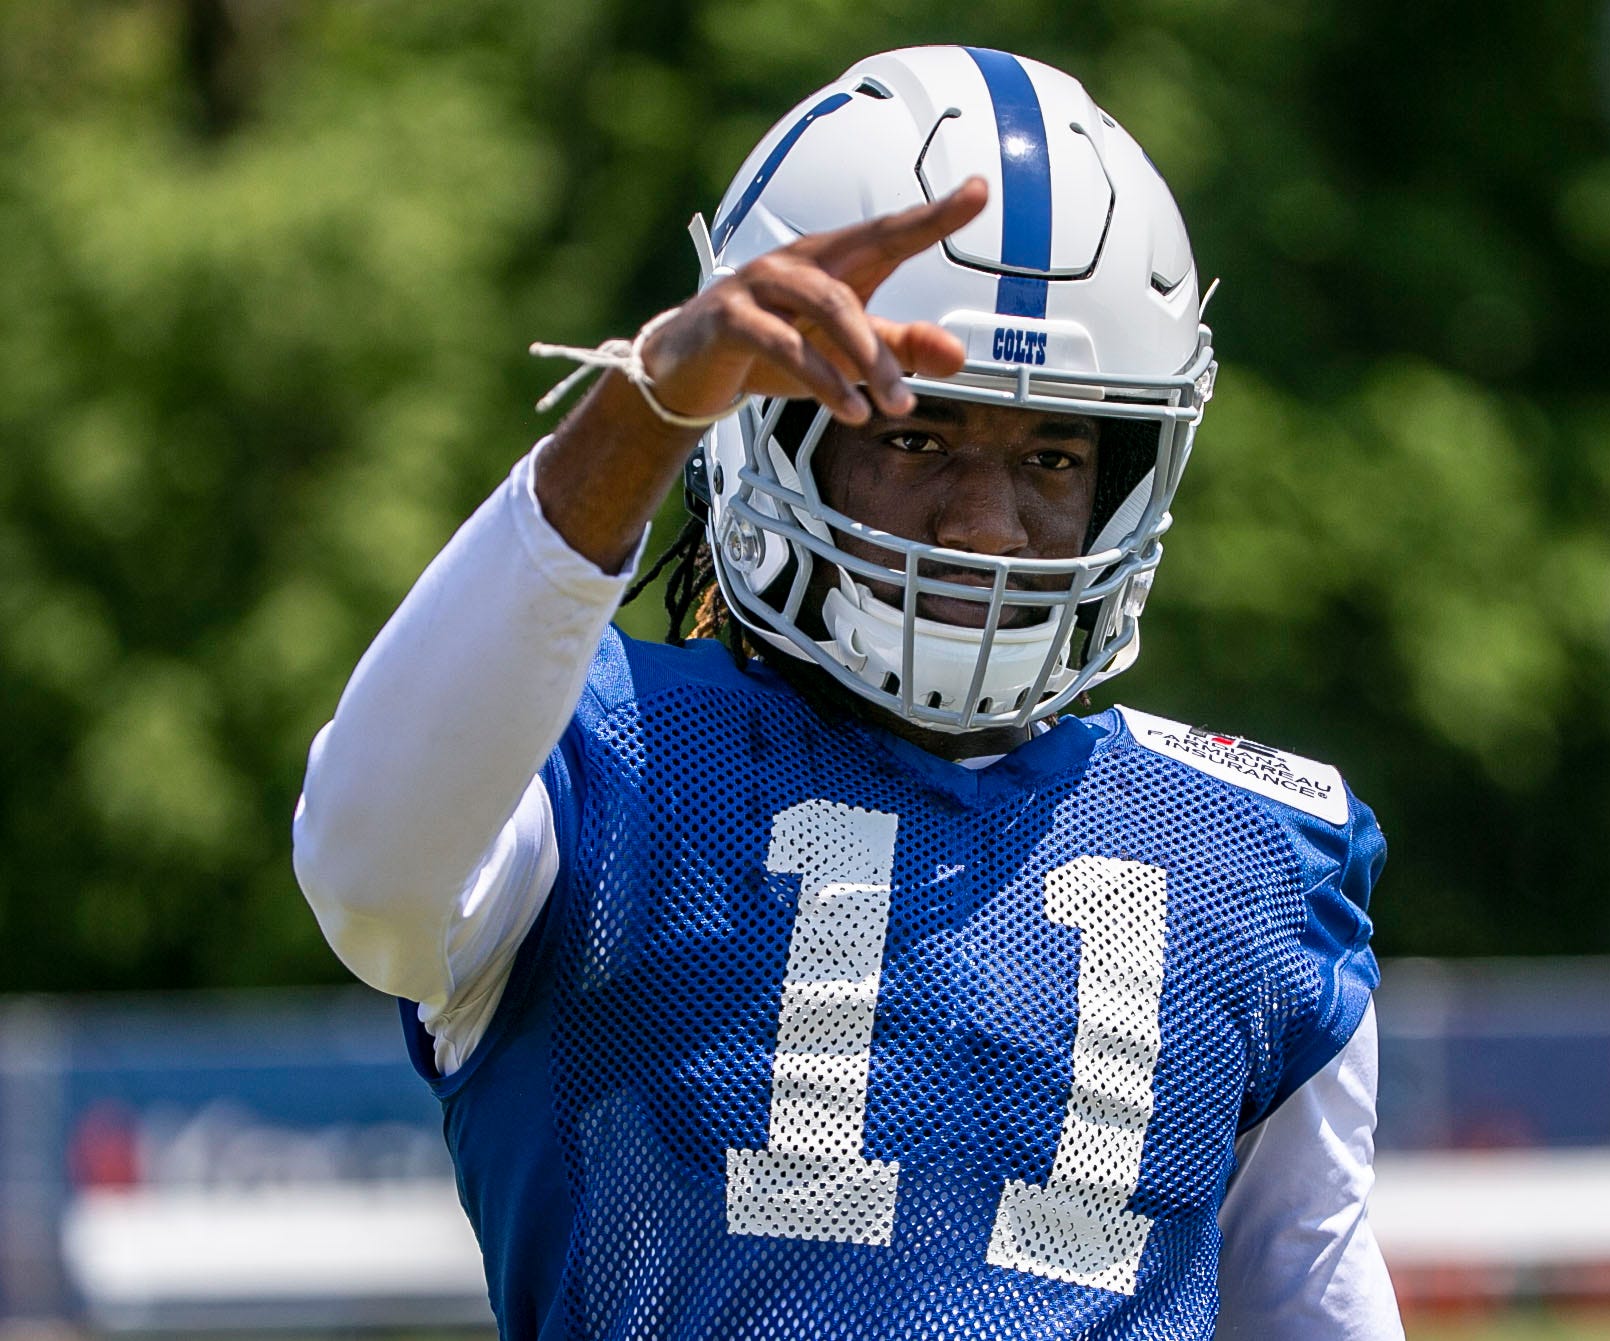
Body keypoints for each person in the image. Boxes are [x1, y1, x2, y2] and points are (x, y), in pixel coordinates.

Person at [294, 45, 1401, 1340]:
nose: (987, 527)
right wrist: (644, 406)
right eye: (914, 436)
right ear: (765, 426)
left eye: (1051, 452)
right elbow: (368, 870)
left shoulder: (1253, 854)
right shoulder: (599, 755)